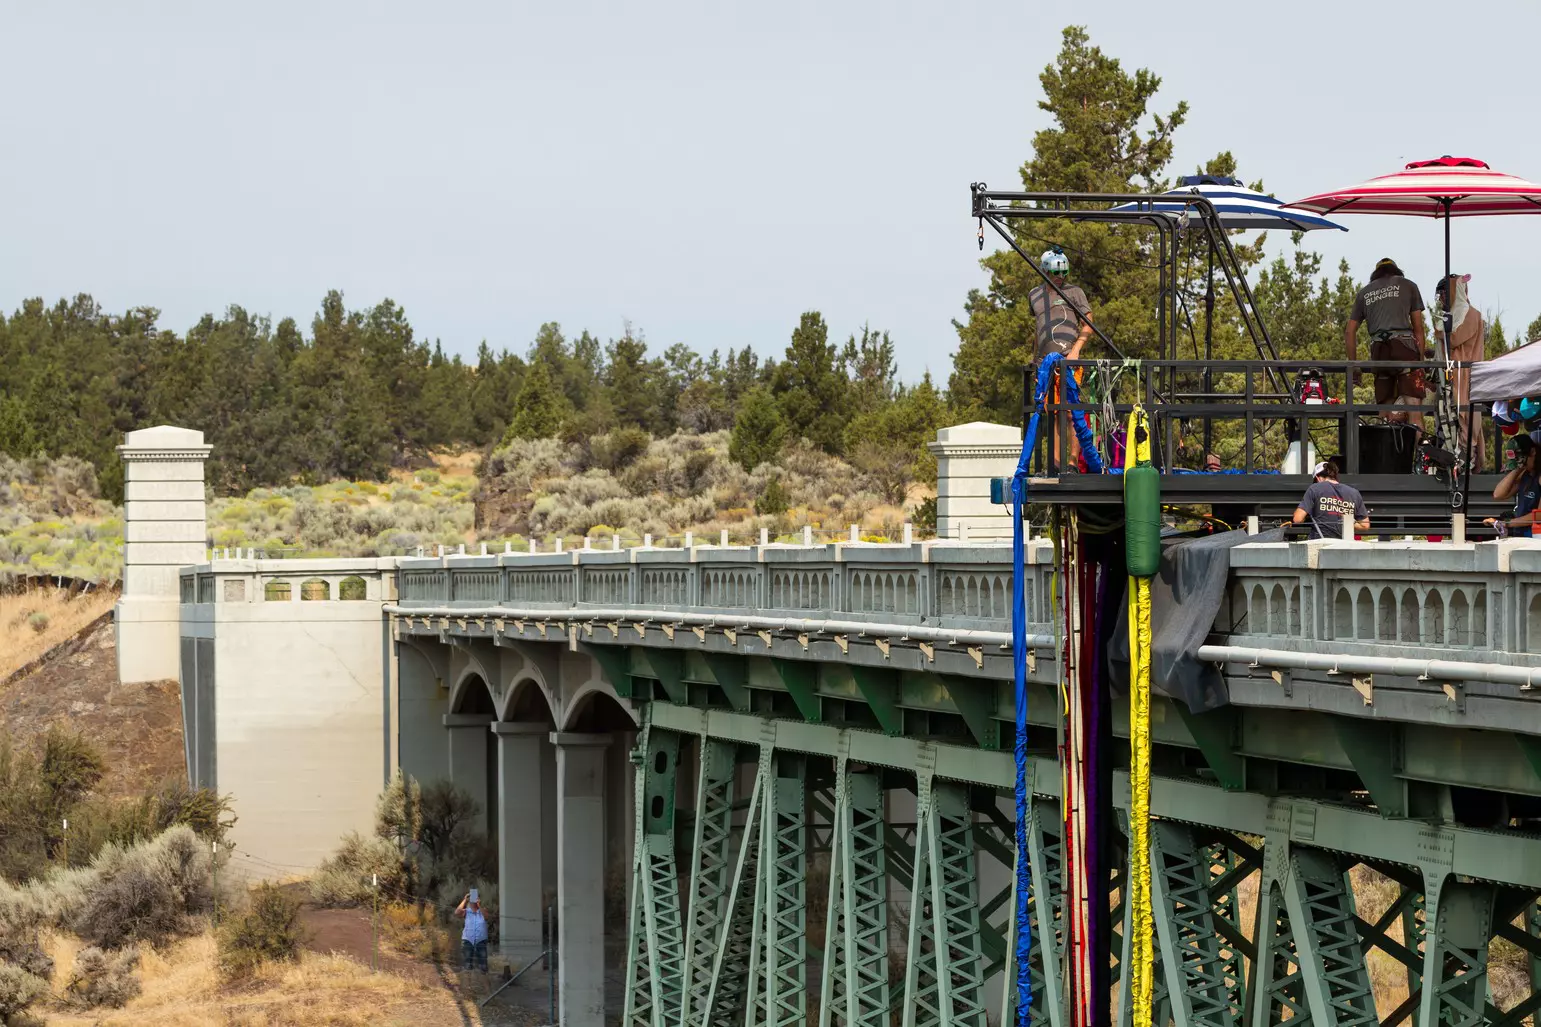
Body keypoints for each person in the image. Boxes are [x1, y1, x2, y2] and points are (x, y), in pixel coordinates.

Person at [1029, 247, 1094, 470]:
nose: (1060, 278)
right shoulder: (1035, 295)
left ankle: (1073, 462)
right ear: (1045, 272)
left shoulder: (1074, 292)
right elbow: (1038, 330)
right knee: (1054, 413)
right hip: (1046, 363)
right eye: (1056, 274)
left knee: (1071, 414)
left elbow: (1089, 323)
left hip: (1069, 359)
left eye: (1063, 273)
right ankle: (1056, 463)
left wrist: (1076, 349)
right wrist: (1036, 364)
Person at [1345, 258, 1428, 424]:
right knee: (1413, 404)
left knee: (1384, 404)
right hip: (1404, 347)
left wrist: (1354, 365)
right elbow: (1418, 328)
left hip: (1379, 350)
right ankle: (1419, 447)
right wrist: (1421, 362)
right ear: (1396, 271)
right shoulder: (1409, 285)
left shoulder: (1364, 293)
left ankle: (1384, 445)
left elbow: (1349, 331)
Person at [1434, 273, 1486, 470]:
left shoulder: (1471, 314)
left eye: (1445, 293)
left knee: (1464, 417)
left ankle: (1466, 461)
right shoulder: (1451, 316)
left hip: (1463, 377)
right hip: (1448, 375)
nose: (1442, 299)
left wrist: (1442, 328)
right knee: (1446, 416)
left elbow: (1454, 339)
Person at [1287, 460, 1369, 539]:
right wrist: (1345, 522)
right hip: (1344, 545)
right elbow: (1365, 525)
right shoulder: (1354, 493)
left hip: (1319, 543)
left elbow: (1297, 519)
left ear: (1318, 478)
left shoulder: (1315, 488)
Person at [1485, 436, 1539, 537]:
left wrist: (1506, 523)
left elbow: (1539, 516)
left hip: (1535, 536)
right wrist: (1516, 469)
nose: (1519, 462)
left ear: (1532, 452)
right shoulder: (1524, 475)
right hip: (1521, 534)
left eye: (1520, 457)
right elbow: (1498, 494)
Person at [456, 890, 490, 974]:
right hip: (468, 940)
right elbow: (457, 912)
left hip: (481, 940)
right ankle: (469, 982)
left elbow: (486, 917)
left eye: (474, 899)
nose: (473, 901)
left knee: (483, 966)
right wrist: (465, 900)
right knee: (467, 965)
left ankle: (484, 981)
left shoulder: (482, 911)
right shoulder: (466, 911)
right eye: (471, 899)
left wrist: (479, 905)